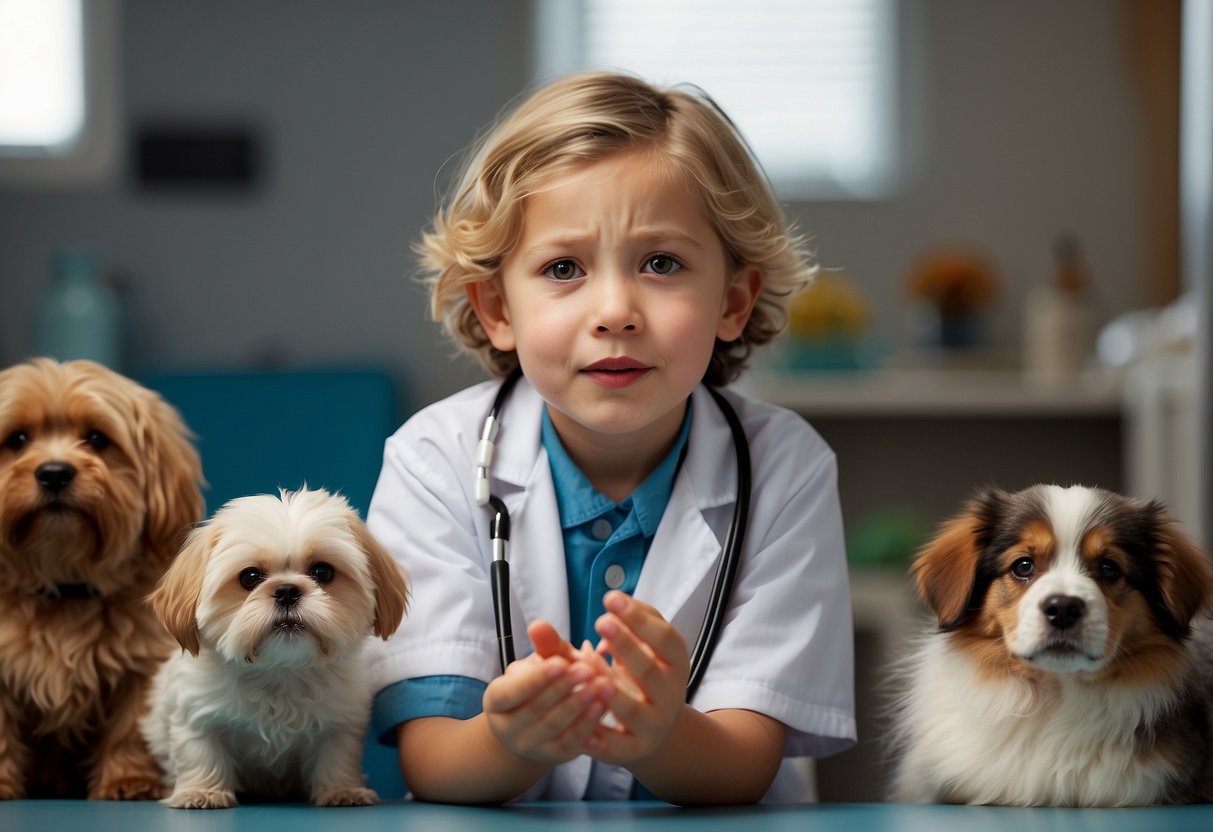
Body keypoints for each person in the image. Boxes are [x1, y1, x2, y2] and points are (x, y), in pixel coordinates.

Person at [366, 70, 855, 805]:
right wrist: (507, 742)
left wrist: (659, 736)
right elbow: (433, 761)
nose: (615, 311)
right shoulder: (433, 460)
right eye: (563, 268)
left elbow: (743, 762)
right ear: (497, 307)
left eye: (661, 263)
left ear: (732, 299)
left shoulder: (785, 468)